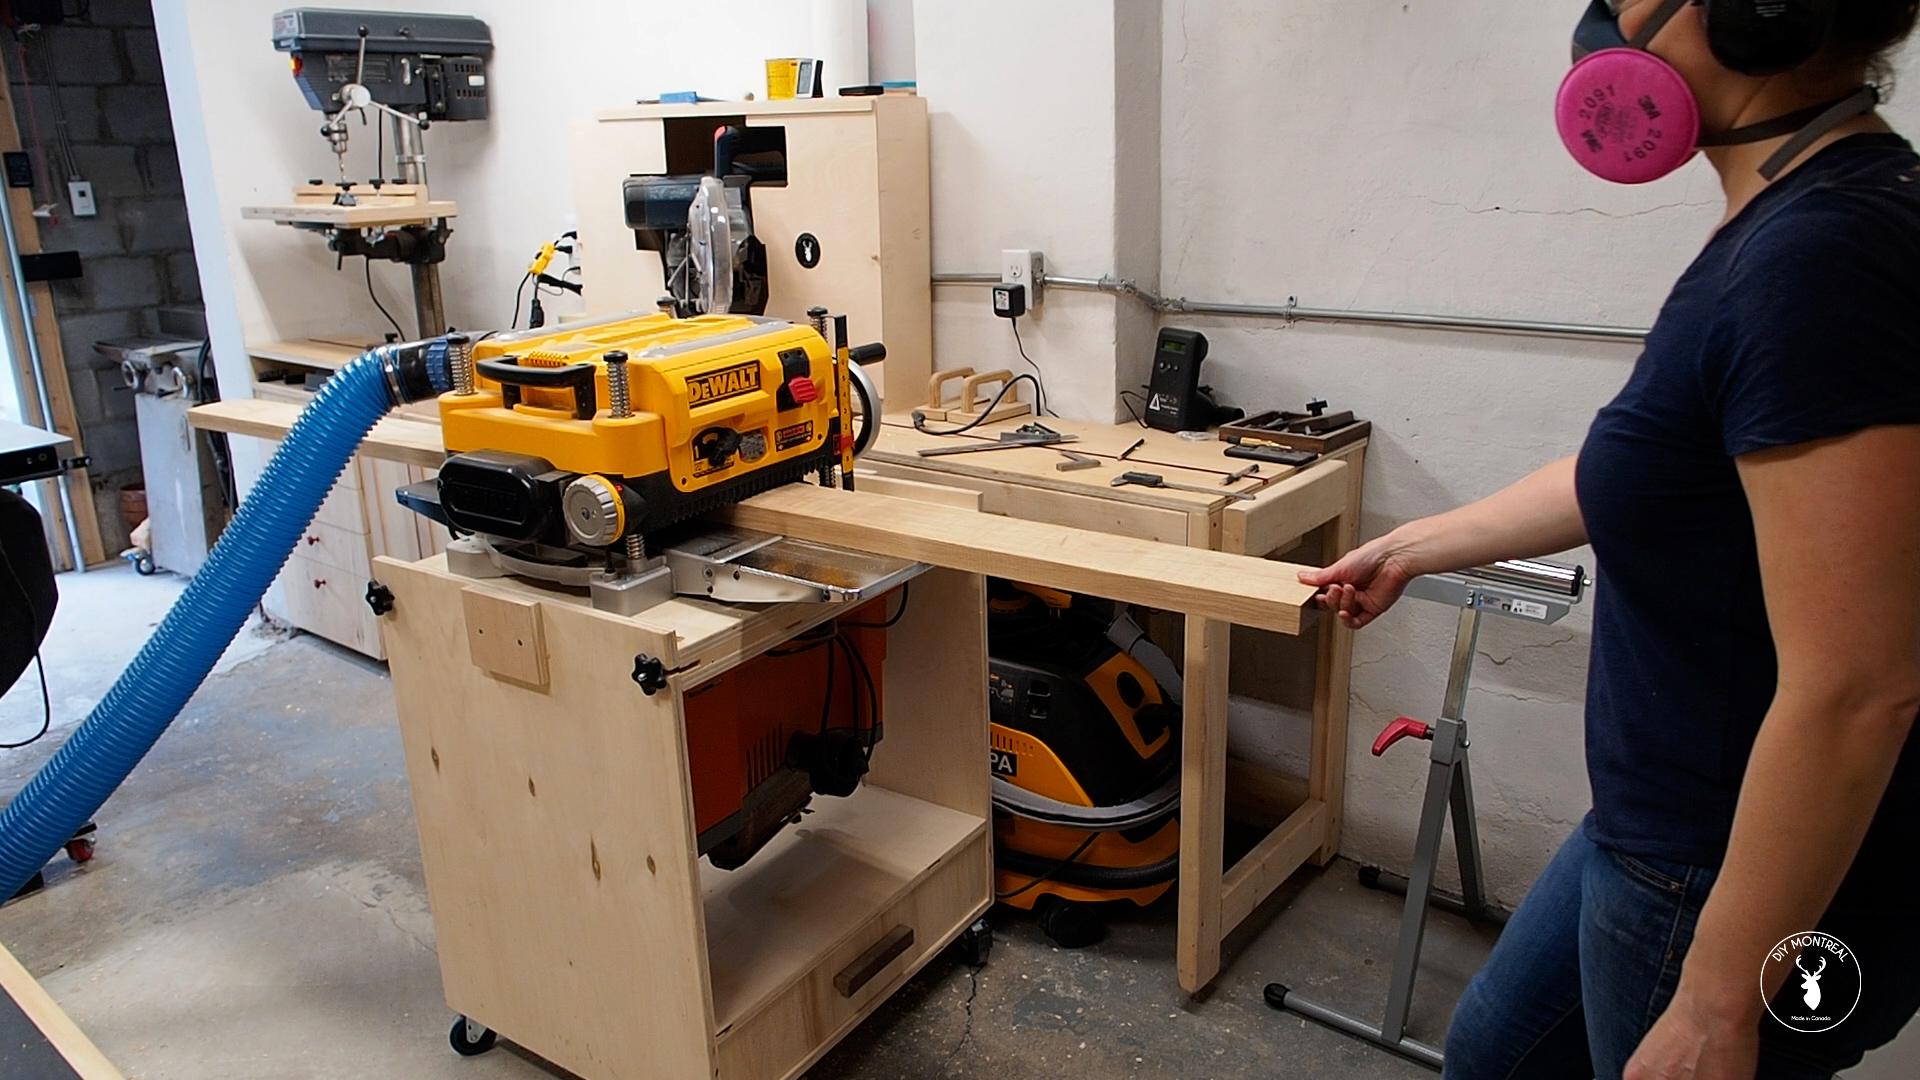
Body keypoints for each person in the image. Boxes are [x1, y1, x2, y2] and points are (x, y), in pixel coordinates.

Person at [1303, 2, 1920, 1076]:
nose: (1603, 19)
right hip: (1654, 828)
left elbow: (1861, 686)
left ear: (1753, 10)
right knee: (1491, 1058)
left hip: (1717, 873)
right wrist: (1412, 548)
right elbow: (1642, 470)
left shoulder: (1823, 257)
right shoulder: (1793, 215)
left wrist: (1721, 1005)